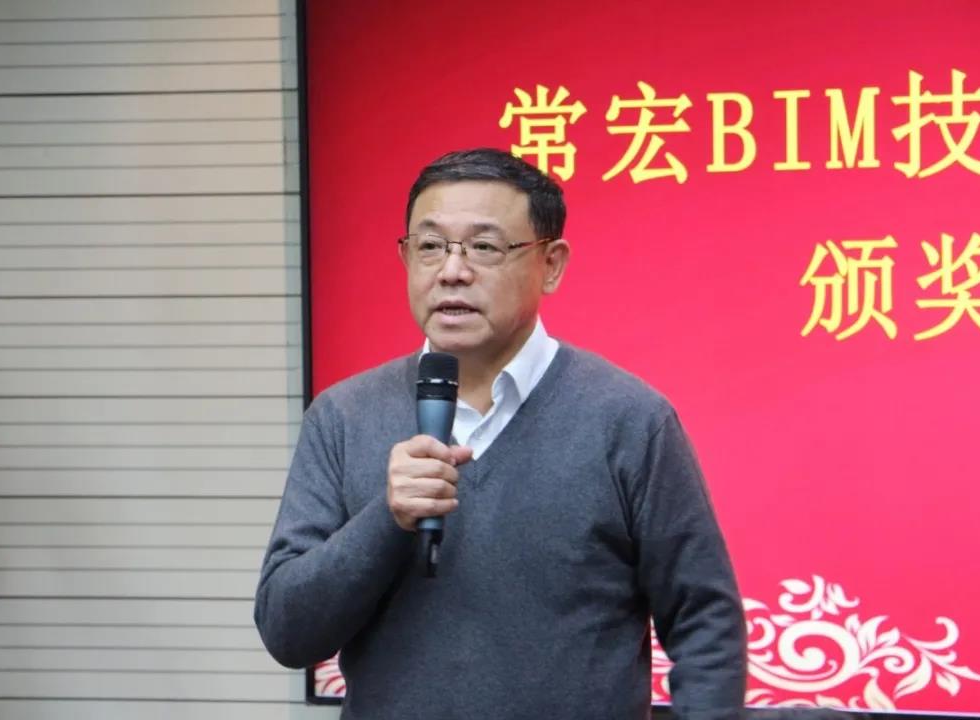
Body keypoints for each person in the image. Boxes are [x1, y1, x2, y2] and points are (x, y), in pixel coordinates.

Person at [254, 148, 746, 719]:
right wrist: (386, 518)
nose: (451, 271)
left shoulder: (630, 419)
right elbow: (287, 632)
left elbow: (705, 622)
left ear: (551, 264)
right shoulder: (342, 416)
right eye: (430, 246)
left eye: (484, 248)